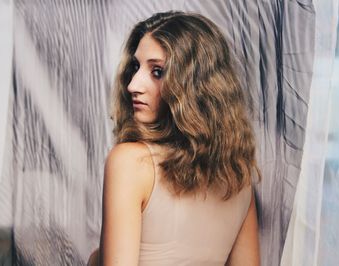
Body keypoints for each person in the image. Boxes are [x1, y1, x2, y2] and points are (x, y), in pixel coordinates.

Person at [89, 11, 260, 266]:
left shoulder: (131, 162)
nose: (133, 85)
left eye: (157, 72)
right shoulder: (238, 175)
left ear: (194, 85)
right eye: (136, 67)